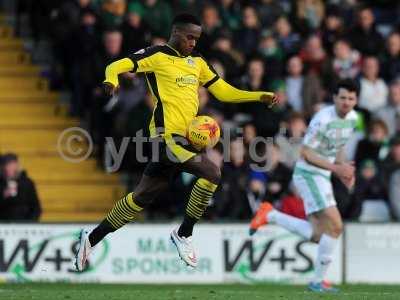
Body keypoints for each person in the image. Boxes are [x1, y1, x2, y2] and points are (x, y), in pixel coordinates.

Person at [75, 13, 277, 271]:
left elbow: (223, 90)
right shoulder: (157, 55)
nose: (194, 42)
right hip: (165, 136)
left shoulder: (198, 62)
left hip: (186, 139)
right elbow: (116, 65)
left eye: (197, 38)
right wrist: (110, 80)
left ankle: (90, 239)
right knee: (212, 172)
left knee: (141, 197)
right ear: (176, 33)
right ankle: (184, 233)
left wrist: (258, 96)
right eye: (190, 37)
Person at [249, 79, 359, 292]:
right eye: (343, 97)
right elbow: (306, 154)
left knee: (320, 234)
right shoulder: (323, 119)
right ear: (335, 98)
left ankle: (270, 214)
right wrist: (338, 170)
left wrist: (344, 167)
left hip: (323, 175)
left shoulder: (353, 119)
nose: (346, 102)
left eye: (351, 98)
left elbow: (337, 146)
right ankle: (317, 282)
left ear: (356, 100)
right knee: (336, 226)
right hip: (308, 174)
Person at [0, 153, 42, 221]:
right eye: (7, 165)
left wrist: (30, 222)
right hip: (4, 226)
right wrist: (3, 196)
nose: (8, 168)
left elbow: (36, 207)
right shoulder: (1, 183)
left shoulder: (27, 183)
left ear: (17, 165)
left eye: (11, 165)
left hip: (24, 225)